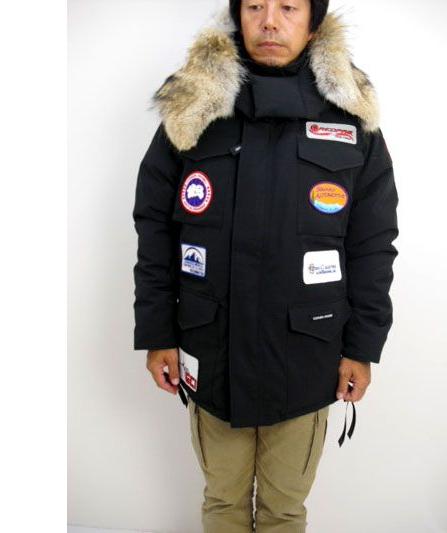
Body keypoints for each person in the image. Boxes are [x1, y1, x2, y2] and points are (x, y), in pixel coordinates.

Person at [132, 1, 399, 531]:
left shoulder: (350, 120)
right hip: (212, 350)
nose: (270, 21)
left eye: (288, 8)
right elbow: (155, 229)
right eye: (255, 6)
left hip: (306, 356)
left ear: (314, 25)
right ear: (239, 16)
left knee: (284, 511)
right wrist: (157, 333)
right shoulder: (193, 110)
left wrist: (362, 347)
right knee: (223, 503)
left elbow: (372, 244)